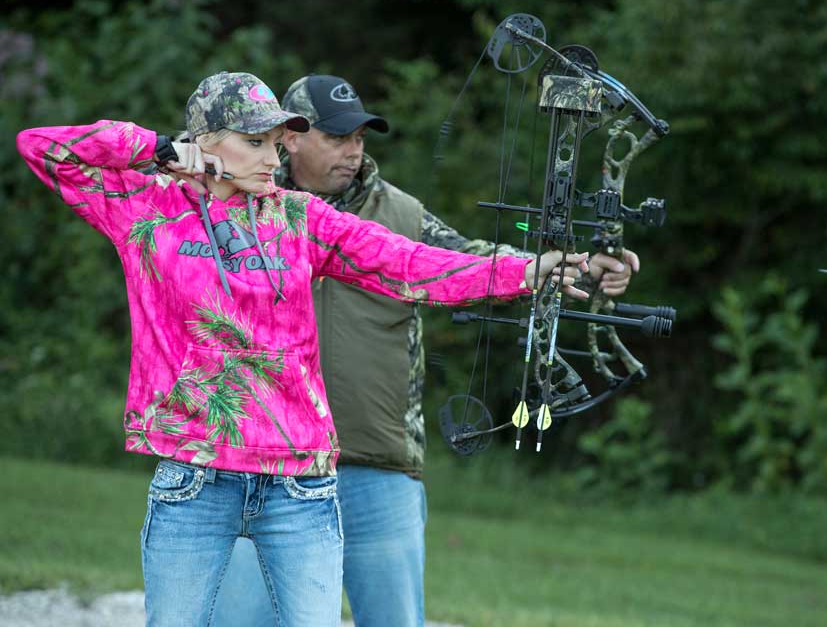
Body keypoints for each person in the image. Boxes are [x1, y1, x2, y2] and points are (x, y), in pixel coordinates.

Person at [16, 71, 589, 627]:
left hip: (298, 483)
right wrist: (157, 147)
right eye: (254, 142)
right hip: (194, 474)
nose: (273, 158)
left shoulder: (300, 219)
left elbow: (410, 265)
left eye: (275, 142)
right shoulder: (144, 207)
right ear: (205, 145)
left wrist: (525, 270)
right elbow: (41, 147)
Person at [212, 75, 639, 627]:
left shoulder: (404, 216)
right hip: (263, 464)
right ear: (290, 137)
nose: (354, 150)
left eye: (361, 138)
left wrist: (578, 268)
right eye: (338, 137)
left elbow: (477, 262)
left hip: (378, 466)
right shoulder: (235, 209)